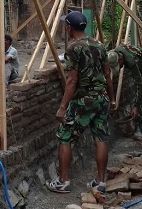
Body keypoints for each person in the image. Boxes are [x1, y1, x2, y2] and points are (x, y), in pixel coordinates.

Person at [47, 11, 113, 194]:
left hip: (83, 101)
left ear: (69, 27)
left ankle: (63, 181)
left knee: (65, 136)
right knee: (100, 138)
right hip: (101, 98)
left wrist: (62, 107)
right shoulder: (99, 45)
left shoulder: (74, 49)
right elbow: (108, 73)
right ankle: (100, 182)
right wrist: (112, 97)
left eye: (65, 26)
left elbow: (72, 81)